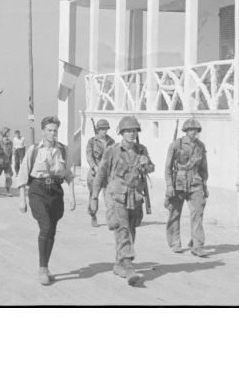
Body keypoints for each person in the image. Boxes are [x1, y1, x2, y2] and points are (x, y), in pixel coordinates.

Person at [90, 116, 154, 286]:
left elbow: (151, 168)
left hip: (135, 196)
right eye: (128, 131)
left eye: (134, 131)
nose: (132, 134)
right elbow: (102, 173)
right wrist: (94, 196)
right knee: (122, 228)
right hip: (116, 195)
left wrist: (146, 164)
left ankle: (119, 264)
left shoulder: (142, 150)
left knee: (131, 230)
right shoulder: (112, 150)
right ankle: (128, 264)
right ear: (121, 133)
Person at [16, 116, 76, 285]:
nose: (52, 133)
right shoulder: (34, 149)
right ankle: (42, 269)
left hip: (56, 191)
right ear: (43, 131)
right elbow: (23, 174)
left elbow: (69, 175)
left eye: (55, 130)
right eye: (49, 130)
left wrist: (72, 195)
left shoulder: (63, 150)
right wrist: (22, 199)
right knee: (46, 226)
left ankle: (46, 266)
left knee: (52, 230)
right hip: (38, 190)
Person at [164, 118, 209, 257]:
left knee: (198, 214)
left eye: (195, 130)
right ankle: (175, 242)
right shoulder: (176, 145)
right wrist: (169, 185)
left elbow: (203, 168)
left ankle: (197, 245)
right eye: (190, 129)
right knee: (175, 213)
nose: (192, 132)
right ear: (185, 131)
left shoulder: (200, 146)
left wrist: (205, 185)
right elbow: (168, 167)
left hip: (195, 183)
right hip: (178, 183)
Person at [85, 119, 115, 227]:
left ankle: (110, 218)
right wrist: (94, 167)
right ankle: (93, 215)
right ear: (98, 130)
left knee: (110, 198)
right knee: (94, 197)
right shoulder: (92, 141)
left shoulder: (111, 142)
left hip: (107, 175)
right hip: (95, 174)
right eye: (102, 129)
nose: (104, 131)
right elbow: (89, 156)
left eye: (105, 129)